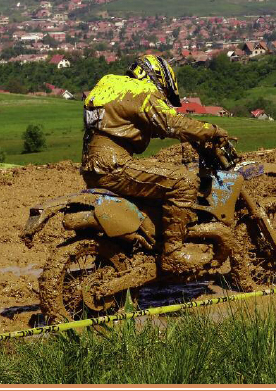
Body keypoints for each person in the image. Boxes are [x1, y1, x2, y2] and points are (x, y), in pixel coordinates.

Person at [81, 54, 229, 274]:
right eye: (164, 92)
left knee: (155, 178)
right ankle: (173, 252)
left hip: (91, 164)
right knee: (184, 182)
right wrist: (211, 131)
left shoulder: (109, 83)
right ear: (158, 78)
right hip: (114, 165)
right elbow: (172, 123)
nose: (162, 97)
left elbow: (121, 119)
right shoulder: (142, 92)